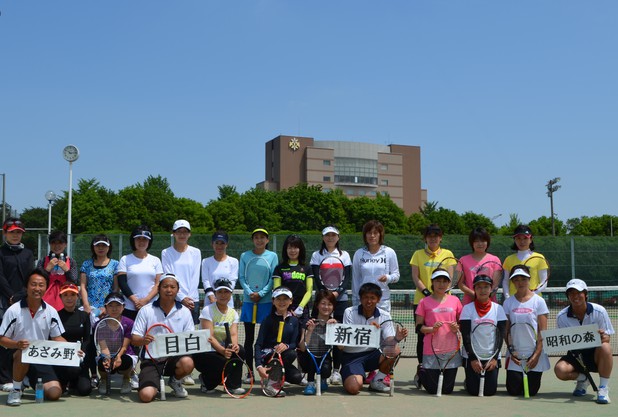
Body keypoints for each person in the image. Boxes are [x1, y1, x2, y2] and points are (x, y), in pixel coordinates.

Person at [0, 268, 67, 406]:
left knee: (54, 393)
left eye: (41, 285)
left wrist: (73, 349)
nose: (37, 288)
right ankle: (16, 389)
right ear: (26, 286)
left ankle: (27, 380)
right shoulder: (13, 310)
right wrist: (17, 344)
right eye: (33, 284)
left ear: (46, 288)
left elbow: (57, 338)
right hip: (15, 355)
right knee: (23, 353)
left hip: (39, 356)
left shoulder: (51, 311)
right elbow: (1, 339)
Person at [131, 273, 195, 403]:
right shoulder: (146, 310)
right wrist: (143, 340)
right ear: (159, 289)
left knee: (188, 362)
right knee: (146, 396)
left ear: (178, 290)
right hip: (151, 360)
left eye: (173, 287)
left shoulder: (185, 311)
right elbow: (134, 338)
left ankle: (175, 381)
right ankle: (152, 384)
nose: (169, 290)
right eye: (165, 286)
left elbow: (190, 338)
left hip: (174, 359)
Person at [554, 278, 614, 404]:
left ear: (586, 294)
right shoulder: (561, 316)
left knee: (606, 347)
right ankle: (583, 379)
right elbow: (564, 342)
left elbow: (607, 337)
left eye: (579, 293)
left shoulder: (600, 311)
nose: (575, 296)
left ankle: (603, 388)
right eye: (571, 293)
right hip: (576, 354)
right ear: (568, 296)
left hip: (596, 353)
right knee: (560, 370)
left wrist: (602, 336)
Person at [340, 283, 407, 395]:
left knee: (395, 349)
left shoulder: (384, 315)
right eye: (366, 297)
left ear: (378, 300)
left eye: (372, 298)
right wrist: (368, 330)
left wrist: (396, 338)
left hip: (373, 355)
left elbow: (389, 340)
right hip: (352, 357)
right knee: (353, 388)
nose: (369, 301)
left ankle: (377, 380)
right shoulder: (349, 312)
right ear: (360, 298)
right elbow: (347, 338)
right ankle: (353, 374)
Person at [409, 224, 455, 387]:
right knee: (422, 336)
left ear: (441, 238)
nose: (433, 238)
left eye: (437, 235)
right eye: (430, 235)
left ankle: (441, 368)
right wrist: (427, 293)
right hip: (422, 301)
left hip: (444, 303)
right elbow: (415, 276)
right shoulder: (417, 254)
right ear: (425, 238)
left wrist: (440, 293)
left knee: (443, 334)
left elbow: (449, 277)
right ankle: (422, 368)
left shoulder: (448, 254)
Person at [310, 225, 352, 385]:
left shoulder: (345, 255)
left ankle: (336, 371)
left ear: (338, 237)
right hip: (322, 301)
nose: (330, 238)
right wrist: (327, 295)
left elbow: (347, 277)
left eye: (333, 235)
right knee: (319, 335)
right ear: (323, 238)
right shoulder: (316, 255)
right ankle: (320, 368)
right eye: (327, 235)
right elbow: (316, 277)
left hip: (340, 301)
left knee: (338, 334)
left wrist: (337, 293)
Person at [79, 234, 119, 388]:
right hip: (90, 310)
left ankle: (108, 373)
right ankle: (93, 374)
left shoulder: (115, 264)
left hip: (109, 309)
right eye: (98, 245)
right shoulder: (86, 264)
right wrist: (87, 306)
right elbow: (83, 286)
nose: (101, 248)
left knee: (107, 342)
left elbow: (115, 288)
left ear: (109, 247)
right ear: (93, 247)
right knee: (89, 344)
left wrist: (107, 307)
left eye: (104, 245)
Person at [503, 265, 550, 397]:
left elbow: (543, 331)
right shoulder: (508, 303)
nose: (520, 282)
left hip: (535, 355)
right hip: (515, 355)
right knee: (514, 392)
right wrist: (512, 352)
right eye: (516, 279)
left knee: (532, 391)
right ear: (512, 282)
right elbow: (506, 331)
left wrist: (536, 355)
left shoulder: (539, 301)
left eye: (523, 279)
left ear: (529, 279)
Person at [193, 278, 246, 395]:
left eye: (226, 292)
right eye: (220, 292)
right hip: (205, 352)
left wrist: (234, 346)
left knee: (240, 351)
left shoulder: (233, 313)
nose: (223, 295)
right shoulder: (208, 310)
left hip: (223, 349)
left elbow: (233, 334)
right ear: (215, 294)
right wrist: (222, 351)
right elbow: (209, 336)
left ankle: (233, 385)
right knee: (221, 362)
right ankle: (205, 381)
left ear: (231, 294)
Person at [238, 228, 278, 383]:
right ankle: (249, 373)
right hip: (249, 302)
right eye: (256, 237)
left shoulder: (272, 256)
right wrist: (250, 293)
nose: (259, 240)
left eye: (263, 237)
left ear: (267, 240)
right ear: (252, 240)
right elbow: (242, 277)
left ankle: (268, 372)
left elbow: (273, 278)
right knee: (248, 340)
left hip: (266, 302)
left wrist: (261, 293)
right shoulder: (245, 256)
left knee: (267, 339)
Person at [415, 269, 463, 395]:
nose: (441, 284)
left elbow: (462, 324)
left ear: (448, 284)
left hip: (451, 350)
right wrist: (432, 329)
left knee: (447, 390)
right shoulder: (424, 302)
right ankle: (421, 372)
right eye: (438, 281)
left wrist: (456, 327)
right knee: (432, 389)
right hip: (431, 349)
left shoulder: (455, 300)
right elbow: (418, 327)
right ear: (432, 282)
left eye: (444, 281)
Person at [0, 218, 34, 388]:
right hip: (4, 301)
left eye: (18, 232)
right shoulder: (1, 252)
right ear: (5, 233)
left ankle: (22, 376)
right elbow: (0, 277)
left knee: (22, 336)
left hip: (23, 299)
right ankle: (5, 378)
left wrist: (21, 295)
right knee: (5, 339)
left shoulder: (27, 253)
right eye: (12, 232)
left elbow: (30, 277)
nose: (15, 235)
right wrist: (11, 295)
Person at [460, 275, 506, 396]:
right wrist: (473, 358)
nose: (483, 290)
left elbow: (500, 336)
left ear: (491, 289)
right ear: (474, 289)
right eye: (479, 287)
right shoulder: (467, 309)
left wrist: (495, 358)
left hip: (492, 357)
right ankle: (469, 381)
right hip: (472, 356)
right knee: (473, 391)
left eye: (486, 287)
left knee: (490, 392)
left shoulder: (498, 309)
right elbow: (465, 335)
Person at [254, 287, 303, 397]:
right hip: (268, 356)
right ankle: (272, 383)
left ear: (291, 301)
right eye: (278, 299)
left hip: (284, 356)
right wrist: (259, 366)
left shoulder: (294, 321)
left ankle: (277, 377)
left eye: (285, 299)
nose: (282, 302)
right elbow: (258, 344)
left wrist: (286, 345)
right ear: (273, 301)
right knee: (291, 353)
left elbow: (294, 344)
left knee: (297, 377)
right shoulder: (267, 320)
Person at [94, 292, 138, 395]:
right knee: (101, 362)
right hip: (107, 353)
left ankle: (127, 379)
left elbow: (124, 346)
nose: (114, 309)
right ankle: (104, 380)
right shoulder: (100, 324)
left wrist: (118, 357)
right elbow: (103, 347)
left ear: (123, 307)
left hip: (124, 354)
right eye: (110, 306)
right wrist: (107, 358)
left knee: (126, 361)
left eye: (118, 305)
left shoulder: (130, 323)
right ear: (105, 307)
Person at [352, 220, 400, 312]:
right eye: (369, 233)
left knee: (382, 326)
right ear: (365, 235)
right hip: (364, 301)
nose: (372, 236)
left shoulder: (389, 252)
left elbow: (396, 275)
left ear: (380, 235)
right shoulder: (359, 253)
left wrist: (388, 277)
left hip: (382, 301)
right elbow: (355, 279)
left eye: (375, 233)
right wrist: (356, 301)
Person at [117, 225, 163, 320]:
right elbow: (122, 283)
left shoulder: (156, 260)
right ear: (133, 241)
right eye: (138, 239)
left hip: (151, 306)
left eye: (145, 239)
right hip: (129, 307)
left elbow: (158, 284)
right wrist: (135, 301)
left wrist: (146, 300)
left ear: (149, 241)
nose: (141, 242)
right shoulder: (125, 259)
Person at [55, 283, 92, 396]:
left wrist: (83, 352)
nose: (69, 298)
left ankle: (73, 383)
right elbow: (52, 339)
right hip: (61, 358)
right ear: (61, 298)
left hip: (79, 358)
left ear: (78, 297)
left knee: (85, 390)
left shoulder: (84, 316)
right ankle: (63, 382)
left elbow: (87, 339)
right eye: (65, 295)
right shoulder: (56, 315)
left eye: (72, 294)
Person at [297, 289, 337, 395]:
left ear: (333, 307)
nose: (326, 307)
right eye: (323, 303)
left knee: (326, 369)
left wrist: (334, 329)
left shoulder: (335, 324)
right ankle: (310, 383)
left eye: (329, 304)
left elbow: (341, 348)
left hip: (325, 360)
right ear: (317, 305)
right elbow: (302, 347)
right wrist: (309, 331)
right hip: (308, 360)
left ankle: (323, 379)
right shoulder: (308, 322)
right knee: (312, 354)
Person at [161, 219, 202, 325]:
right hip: (173, 298)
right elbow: (169, 277)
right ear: (173, 234)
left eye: (185, 232)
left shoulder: (196, 252)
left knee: (190, 335)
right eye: (179, 232)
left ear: (189, 234)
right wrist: (181, 297)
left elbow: (195, 276)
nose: (182, 235)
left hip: (192, 300)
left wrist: (189, 299)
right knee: (173, 331)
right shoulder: (166, 252)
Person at [273, 234, 313, 324]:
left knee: (303, 337)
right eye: (290, 248)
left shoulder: (307, 268)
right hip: (284, 308)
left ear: (300, 249)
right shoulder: (279, 268)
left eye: (295, 248)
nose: (292, 251)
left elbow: (309, 290)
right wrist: (284, 307)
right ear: (285, 250)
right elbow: (276, 290)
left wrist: (301, 307)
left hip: (302, 310)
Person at [502, 225, 549, 298]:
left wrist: (532, 295)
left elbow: (544, 282)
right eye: (518, 238)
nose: (522, 241)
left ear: (530, 239)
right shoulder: (508, 259)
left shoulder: (539, 258)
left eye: (525, 238)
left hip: (534, 300)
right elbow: (505, 281)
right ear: (514, 240)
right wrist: (507, 297)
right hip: (513, 300)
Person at [458, 227, 502, 305]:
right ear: (472, 243)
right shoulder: (463, 260)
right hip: (469, 302)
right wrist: (473, 294)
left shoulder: (495, 259)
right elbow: (460, 284)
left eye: (483, 241)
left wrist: (486, 295)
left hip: (490, 302)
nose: (480, 244)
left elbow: (495, 284)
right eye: (476, 241)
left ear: (487, 242)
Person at [36, 230, 78, 311]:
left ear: (65, 244)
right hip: (45, 299)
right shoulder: (43, 261)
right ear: (50, 244)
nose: (57, 246)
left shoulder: (71, 261)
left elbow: (74, 281)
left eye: (60, 243)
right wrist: (47, 269)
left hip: (65, 300)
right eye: (53, 243)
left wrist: (66, 270)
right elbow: (38, 281)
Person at [201, 230, 239, 308]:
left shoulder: (234, 261)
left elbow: (233, 281)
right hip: (210, 302)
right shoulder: (206, 261)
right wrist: (211, 297)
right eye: (216, 243)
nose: (219, 246)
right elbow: (205, 281)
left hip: (227, 302)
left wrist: (224, 297)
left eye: (222, 243)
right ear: (212, 244)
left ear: (227, 244)